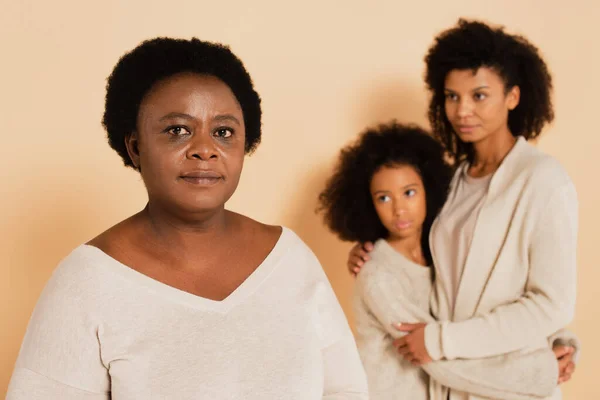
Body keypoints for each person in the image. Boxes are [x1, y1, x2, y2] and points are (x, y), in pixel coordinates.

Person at [7, 37, 368, 399]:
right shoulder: (87, 281)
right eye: (178, 130)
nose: (205, 150)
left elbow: (346, 391)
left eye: (223, 132)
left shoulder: (290, 259)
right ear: (136, 147)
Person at [346, 19, 579, 399]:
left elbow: (551, 303)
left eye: (479, 95)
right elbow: (436, 268)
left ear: (513, 97)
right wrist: (372, 251)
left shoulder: (543, 180)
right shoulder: (451, 182)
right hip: (446, 383)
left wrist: (441, 341)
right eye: (452, 96)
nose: (462, 110)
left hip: (509, 382)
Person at [320, 121, 576, 399]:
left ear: (428, 189)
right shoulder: (378, 275)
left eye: (409, 192)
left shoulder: (439, 254)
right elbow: (440, 362)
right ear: (367, 204)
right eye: (383, 198)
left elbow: (494, 304)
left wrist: (558, 344)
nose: (399, 209)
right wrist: (542, 372)